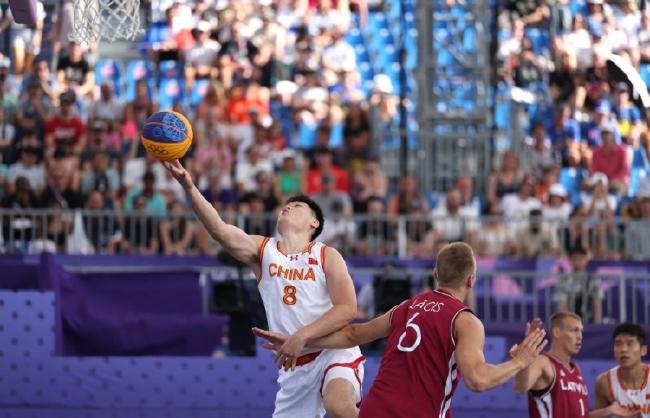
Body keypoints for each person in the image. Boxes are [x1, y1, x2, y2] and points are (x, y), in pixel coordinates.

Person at [163, 159, 363, 418]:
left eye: (297, 206)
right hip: (294, 367)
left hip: (332, 352)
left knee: (339, 408)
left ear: (314, 223)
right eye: (286, 205)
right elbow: (221, 232)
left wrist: (302, 336)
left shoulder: (326, 254)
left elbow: (347, 309)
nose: (287, 206)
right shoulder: (264, 250)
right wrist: (189, 187)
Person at [254, 242, 548, 418]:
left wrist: (300, 338)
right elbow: (478, 380)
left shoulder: (407, 306)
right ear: (471, 280)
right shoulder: (465, 321)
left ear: (436, 275)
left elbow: (353, 334)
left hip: (374, 411)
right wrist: (520, 361)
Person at [514, 312, 589, 418]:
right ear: (557, 332)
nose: (580, 336)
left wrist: (607, 411)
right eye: (574, 330)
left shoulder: (576, 369)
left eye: (581, 331)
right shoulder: (543, 362)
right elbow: (520, 387)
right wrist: (524, 360)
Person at [590, 323, 649, 418]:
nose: (623, 349)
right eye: (618, 344)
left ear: (643, 350)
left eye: (630, 344)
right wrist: (608, 411)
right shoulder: (604, 382)